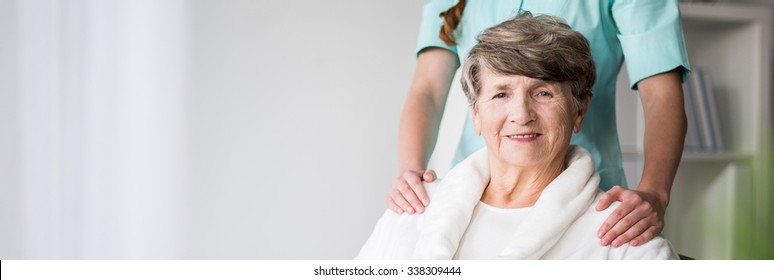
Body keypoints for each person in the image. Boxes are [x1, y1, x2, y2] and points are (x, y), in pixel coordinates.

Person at [358, 13, 678, 259]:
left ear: (579, 110)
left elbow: (662, 96)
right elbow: (426, 90)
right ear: (476, 114)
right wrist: (411, 178)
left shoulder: (624, 245)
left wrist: (656, 193)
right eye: (500, 95)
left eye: (543, 93)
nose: (521, 115)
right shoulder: (411, 219)